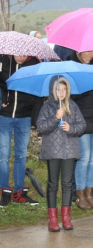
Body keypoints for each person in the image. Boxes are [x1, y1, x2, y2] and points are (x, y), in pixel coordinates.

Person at [37, 76, 86, 231]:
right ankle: (52, 219)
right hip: (52, 151)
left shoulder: (73, 106)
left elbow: (82, 125)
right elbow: (41, 127)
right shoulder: (47, 107)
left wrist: (70, 129)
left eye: (64, 89)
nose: (62, 92)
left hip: (69, 151)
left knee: (67, 184)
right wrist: (55, 118)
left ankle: (66, 218)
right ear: (53, 90)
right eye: (59, 89)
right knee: (52, 184)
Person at [67, 50, 93, 210]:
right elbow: (69, 96)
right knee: (84, 158)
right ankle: (80, 196)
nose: (91, 54)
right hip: (81, 118)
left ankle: (89, 193)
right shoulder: (71, 66)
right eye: (88, 50)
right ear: (79, 50)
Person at [0, 54, 42, 207]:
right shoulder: (3, 61)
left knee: (21, 155)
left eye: (25, 55)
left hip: (24, 116)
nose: (22, 57)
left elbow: (39, 92)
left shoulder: (34, 64)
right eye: (19, 54)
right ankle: (4, 190)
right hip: (4, 116)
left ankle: (19, 191)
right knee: (3, 154)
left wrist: (35, 118)